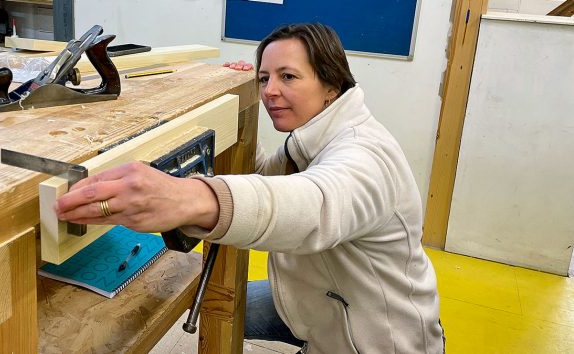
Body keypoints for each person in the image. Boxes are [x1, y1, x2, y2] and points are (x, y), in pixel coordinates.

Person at [54, 23, 445, 354]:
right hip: (318, 302)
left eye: (288, 77)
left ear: (331, 84)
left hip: (377, 338)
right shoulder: (308, 140)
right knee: (202, 302)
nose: (270, 90)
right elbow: (262, 174)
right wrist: (237, 111)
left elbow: (314, 206)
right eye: (264, 78)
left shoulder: (365, 155)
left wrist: (191, 197)